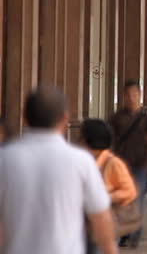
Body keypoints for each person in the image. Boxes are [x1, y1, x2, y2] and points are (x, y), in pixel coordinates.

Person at [0, 86, 117, 254]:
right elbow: (101, 218)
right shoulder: (81, 162)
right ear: (65, 119)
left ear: (25, 117)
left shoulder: (5, 159)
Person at [109, 79, 147, 247]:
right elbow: (109, 140)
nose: (131, 98)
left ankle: (134, 231)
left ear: (140, 95)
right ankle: (126, 232)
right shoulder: (117, 117)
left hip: (141, 165)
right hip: (121, 165)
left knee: (136, 199)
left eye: (135, 94)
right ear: (123, 96)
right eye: (128, 95)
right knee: (123, 200)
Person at [81, 118, 139, 253]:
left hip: (105, 221)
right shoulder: (83, 161)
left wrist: (107, 196)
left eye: (82, 138)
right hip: (85, 223)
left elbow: (130, 191)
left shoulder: (113, 163)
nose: (79, 142)